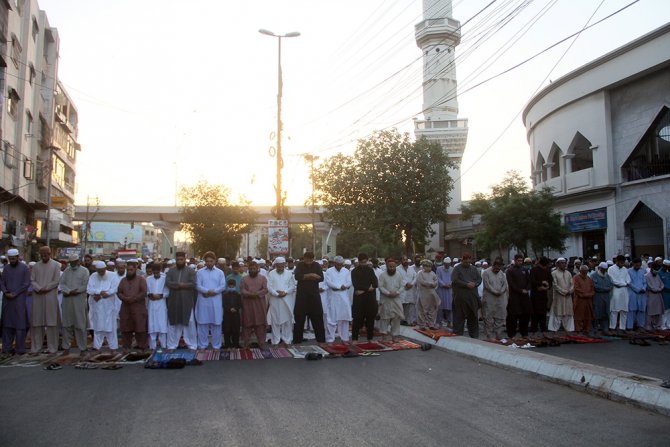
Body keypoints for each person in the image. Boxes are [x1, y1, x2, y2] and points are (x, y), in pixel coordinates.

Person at [30, 246, 62, 354]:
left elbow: (56, 280)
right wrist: (39, 288)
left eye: (46, 255)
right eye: (42, 255)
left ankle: (52, 348)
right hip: (38, 296)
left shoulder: (56, 265)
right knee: (37, 323)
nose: (44, 257)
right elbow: (32, 280)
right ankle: (36, 347)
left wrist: (45, 288)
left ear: (50, 254)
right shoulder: (35, 266)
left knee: (52, 323)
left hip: (50, 296)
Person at [1, 249, 31, 355]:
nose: (12, 261)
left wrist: (15, 293)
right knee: (7, 325)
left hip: (19, 300)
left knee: (20, 325)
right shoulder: (6, 268)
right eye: (11, 259)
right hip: (8, 300)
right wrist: (6, 292)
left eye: (14, 259)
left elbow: (26, 283)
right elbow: (2, 282)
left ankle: (20, 349)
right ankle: (7, 348)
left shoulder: (24, 268)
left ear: (18, 257)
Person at [165, 252, 198, 350]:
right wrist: (179, 285)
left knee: (189, 322)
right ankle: (172, 345)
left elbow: (193, 284)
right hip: (174, 301)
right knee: (173, 323)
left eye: (181, 259)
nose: (180, 261)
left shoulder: (191, 271)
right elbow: (168, 283)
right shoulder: (171, 271)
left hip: (187, 301)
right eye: (178, 259)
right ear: (176, 260)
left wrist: (181, 285)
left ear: (185, 259)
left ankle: (192, 344)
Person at [59, 254, 90, 353]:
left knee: (80, 325)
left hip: (79, 300)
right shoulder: (66, 271)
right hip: (67, 300)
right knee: (66, 325)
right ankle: (66, 347)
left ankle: (82, 348)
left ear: (78, 261)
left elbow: (85, 285)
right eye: (71, 263)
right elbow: (62, 284)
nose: (72, 264)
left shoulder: (85, 271)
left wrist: (75, 292)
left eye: (74, 262)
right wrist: (68, 291)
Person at [293, 252, 325, 344]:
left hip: (314, 296)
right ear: (304, 258)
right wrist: (311, 275)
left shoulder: (317, 265)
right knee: (299, 320)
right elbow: (297, 276)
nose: (309, 262)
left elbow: (321, 278)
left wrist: (305, 277)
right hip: (302, 297)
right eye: (307, 260)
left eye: (311, 260)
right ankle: (297, 342)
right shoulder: (300, 265)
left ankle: (321, 341)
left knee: (318, 319)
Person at [195, 251, 225, 350]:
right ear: (204, 262)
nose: (209, 263)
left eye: (211, 261)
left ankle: (216, 345)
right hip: (203, 301)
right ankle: (202, 345)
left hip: (216, 301)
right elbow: (197, 285)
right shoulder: (200, 272)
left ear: (215, 261)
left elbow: (222, 286)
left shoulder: (220, 272)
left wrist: (214, 292)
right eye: (207, 261)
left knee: (216, 324)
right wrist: (207, 291)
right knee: (202, 324)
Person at [87, 260, 119, 351]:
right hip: (97, 306)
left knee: (111, 327)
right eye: (99, 271)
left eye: (102, 270)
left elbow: (115, 288)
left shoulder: (112, 275)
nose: (101, 272)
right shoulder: (93, 276)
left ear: (105, 268)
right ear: (96, 270)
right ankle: (97, 347)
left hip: (109, 305)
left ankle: (113, 348)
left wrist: (106, 293)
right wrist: (99, 293)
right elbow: (89, 289)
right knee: (98, 327)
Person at [117, 259, 149, 351]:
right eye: (128, 270)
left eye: (131, 270)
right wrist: (125, 298)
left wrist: (134, 299)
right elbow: (119, 292)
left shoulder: (141, 279)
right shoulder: (123, 280)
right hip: (126, 308)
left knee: (140, 328)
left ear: (135, 269)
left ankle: (142, 348)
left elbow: (143, 292)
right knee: (126, 328)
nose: (129, 272)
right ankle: (126, 347)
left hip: (138, 308)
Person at [451, 253, 482, 338]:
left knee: (473, 318)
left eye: (469, 262)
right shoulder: (457, 269)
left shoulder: (474, 269)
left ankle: (474, 337)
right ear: (462, 260)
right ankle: (457, 337)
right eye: (466, 262)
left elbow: (479, 279)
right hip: (460, 298)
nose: (467, 264)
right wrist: (466, 284)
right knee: (459, 318)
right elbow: (455, 280)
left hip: (472, 298)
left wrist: (475, 284)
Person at [266, 257, 295, 346]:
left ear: (284, 265)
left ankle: (287, 340)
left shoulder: (289, 274)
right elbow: (269, 286)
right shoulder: (271, 273)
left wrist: (285, 292)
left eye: (282, 266)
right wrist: (276, 293)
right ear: (275, 265)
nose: (280, 268)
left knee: (287, 321)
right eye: (279, 266)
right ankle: (276, 341)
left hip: (287, 300)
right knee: (275, 321)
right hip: (275, 300)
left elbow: (292, 286)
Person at [350, 253, 379, 342]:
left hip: (370, 298)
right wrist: (367, 288)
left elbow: (375, 284)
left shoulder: (370, 270)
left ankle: (370, 338)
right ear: (358, 262)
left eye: (365, 262)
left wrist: (363, 290)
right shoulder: (354, 271)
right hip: (359, 300)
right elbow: (356, 285)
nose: (364, 264)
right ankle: (354, 339)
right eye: (362, 262)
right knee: (357, 319)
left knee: (370, 319)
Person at [324, 256, 352, 343]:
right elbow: (329, 282)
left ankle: (345, 338)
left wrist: (345, 286)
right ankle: (330, 339)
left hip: (344, 297)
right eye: (338, 264)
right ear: (334, 263)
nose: (339, 266)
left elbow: (350, 281)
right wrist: (338, 287)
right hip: (333, 297)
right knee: (331, 318)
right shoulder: (329, 271)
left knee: (344, 318)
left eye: (341, 265)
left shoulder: (346, 271)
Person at [377, 258, 405, 342]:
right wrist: (388, 293)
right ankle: (384, 335)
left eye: (393, 266)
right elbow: (380, 286)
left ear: (395, 266)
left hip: (396, 299)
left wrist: (397, 292)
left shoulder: (399, 275)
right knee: (385, 317)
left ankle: (395, 336)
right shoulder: (382, 275)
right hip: (386, 299)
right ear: (387, 266)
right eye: (390, 266)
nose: (392, 268)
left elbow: (402, 286)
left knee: (396, 318)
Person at [481, 257, 508, 341]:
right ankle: (489, 335)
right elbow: (487, 285)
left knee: (500, 316)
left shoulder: (502, 274)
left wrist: (501, 291)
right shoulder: (486, 272)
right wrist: (495, 291)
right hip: (489, 297)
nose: (498, 269)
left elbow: (505, 284)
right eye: (496, 267)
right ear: (493, 265)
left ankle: (498, 334)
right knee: (488, 317)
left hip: (500, 298)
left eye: (499, 267)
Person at [506, 254, 531, 339]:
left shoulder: (525, 270)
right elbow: (511, 283)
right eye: (518, 261)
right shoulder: (510, 271)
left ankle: (524, 333)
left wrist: (527, 289)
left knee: (525, 315)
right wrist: (520, 290)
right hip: (514, 297)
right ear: (515, 260)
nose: (520, 262)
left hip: (524, 297)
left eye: (521, 261)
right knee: (513, 317)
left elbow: (529, 281)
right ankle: (511, 335)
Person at [548, 258, 575, 333]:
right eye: (562, 263)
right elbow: (555, 285)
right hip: (559, 297)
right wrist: (564, 292)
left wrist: (570, 291)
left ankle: (569, 332)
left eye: (565, 263)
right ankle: (554, 332)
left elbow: (572, 284)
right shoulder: (554, 273)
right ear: (557, 264)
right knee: (557, 314)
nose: (564, 264)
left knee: (568, 314)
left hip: (568, 297)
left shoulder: (568, 273)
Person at [146, 263, 168, 350]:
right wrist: (151, 295)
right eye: (154, 272)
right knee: (152, 325)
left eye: (157, 272)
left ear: (160, 271)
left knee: (162, 325)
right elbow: (146, 291)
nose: (155, 274)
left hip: (161, 303)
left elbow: (167, 291)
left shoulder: (164, 279)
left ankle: (163, 345)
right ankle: (152, 347)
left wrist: (161, 296)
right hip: (152, 303)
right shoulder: (148, 279)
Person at [529, 257, 552, 336]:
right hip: (535, 295)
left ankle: (544, 332)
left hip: (543, 295)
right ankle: (533, 333)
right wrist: (541, 283)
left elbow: (550, 282)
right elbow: (532, 281)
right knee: (534, 315)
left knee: (543, 314)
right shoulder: (534, 270)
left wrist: (546, 286)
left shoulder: (547, 271)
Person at [608, 255, 630, 333]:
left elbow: (628, 280)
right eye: (620, 262)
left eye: (623, 263)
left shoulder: (625, 269)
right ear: (617, 261)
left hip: (624, 291)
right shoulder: (611, 269)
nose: (622, 264)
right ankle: (612, 327)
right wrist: (622, 283)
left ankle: (622, 328)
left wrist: (624, 284)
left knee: (624, 310)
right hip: (616, 290)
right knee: (614, 310)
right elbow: (612, 280)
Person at [416, 259, 440, 330]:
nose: (429, 268)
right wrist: (430, 284)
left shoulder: (433, 273)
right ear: (424, 266)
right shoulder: (420, 273)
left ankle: (431, 324)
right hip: (423, 293)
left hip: (431, 294)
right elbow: (421, 281)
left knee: (432, 309)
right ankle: (422, 324)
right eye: (427, 266)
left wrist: (433, 284)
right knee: (422, 309)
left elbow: (436, 281)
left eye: (430, 266)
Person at [590, 262, 613, 334]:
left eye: (605, 270)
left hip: (606, 297)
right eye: (603, 269)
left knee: (605, 313)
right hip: (597, 296)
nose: (604, 271)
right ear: (599, 268)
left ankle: (605, 329)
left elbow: (611, 284)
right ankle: (595, 329)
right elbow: (595, 286)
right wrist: (604, 289)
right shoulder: (593, 275)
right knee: (596, 313)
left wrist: (608, 289)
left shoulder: (608, 276)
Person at [573, 265, 595, 334]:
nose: (585, 272)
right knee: (578, 315)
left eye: (586, 271)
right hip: (580, 299)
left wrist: (590, 294)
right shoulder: (576, 278)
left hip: (588, 300)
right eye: (583, 271)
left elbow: (592, 289)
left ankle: (586, 329)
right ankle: (578, 330)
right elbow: (576, 288)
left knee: (588, 315)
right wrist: (585, 294)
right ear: (580, 271)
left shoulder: (589, 279)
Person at [626, 258, 646, 331]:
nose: (638, 266)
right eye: (636, 265)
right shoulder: (628, 271)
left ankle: (640, 326)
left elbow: (645, 282)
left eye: (639, 265)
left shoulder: (643, 271)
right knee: (631, 310)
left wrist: (644, 288)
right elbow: (629, 283)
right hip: (632, 292)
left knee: (642, 310)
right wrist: (637, 289)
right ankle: (630, 327)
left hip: (642, 293)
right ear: (633, 264)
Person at [222, 279, 242, 349]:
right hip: (227, 315)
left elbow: (240, 304)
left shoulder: (238, 294)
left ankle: (235, 344)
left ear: (235, 286)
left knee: (236, 330)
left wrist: (235, 308)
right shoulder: (224, 295)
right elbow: (223, 304)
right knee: (227, 330)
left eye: (232, 285)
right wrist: (229, 309)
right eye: (230, 285)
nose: (231, 287)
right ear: (227, 286)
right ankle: (227, 344)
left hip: (236, 315)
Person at [398, 256, 417, 326]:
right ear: (401, 261)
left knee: (409, 306)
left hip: (410, 289)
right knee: (401, 306)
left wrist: (412, 284)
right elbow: (398, 278)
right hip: (402, 289)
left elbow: (415, 277)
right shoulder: (397, 269)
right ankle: (400, 320)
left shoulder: (411, 268)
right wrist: (406, 283)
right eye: (404, 260)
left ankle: (407, 320)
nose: (405, 261)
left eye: (406, 260)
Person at [645, 265, 665, 331]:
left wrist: (660, 289)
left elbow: (662, 284)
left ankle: (657, 326)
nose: (656, 272)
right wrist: (657, 289)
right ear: (651, 269)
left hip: (658, 296)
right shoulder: (647, 276)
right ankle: (649, 326)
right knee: (650, 311)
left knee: (659, 311)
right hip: (651, 295)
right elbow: (650, 287)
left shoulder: (657, 275)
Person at [435, 258, 453, 328]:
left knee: (450, 306)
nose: (447, 266)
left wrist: (450, 284)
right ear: (444, 263)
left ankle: (450, 321)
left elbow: (453, 278)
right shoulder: (439, 269)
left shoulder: (452, 269)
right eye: (446, 264)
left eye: (448, 264)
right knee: (440, 306)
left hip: (449, 290)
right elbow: (438, 278)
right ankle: (439, 322)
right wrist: (443, 284)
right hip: (441, 290)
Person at [659, 260, 670, 329]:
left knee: (669, 310)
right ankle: (663, 325)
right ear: (663, 265)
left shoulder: (668, 273)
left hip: (669, 293)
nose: (667, 268)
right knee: (664, 310)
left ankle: (668, 324)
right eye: (666, 266)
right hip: (664, 293)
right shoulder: (659, 273)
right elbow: (660, 283)